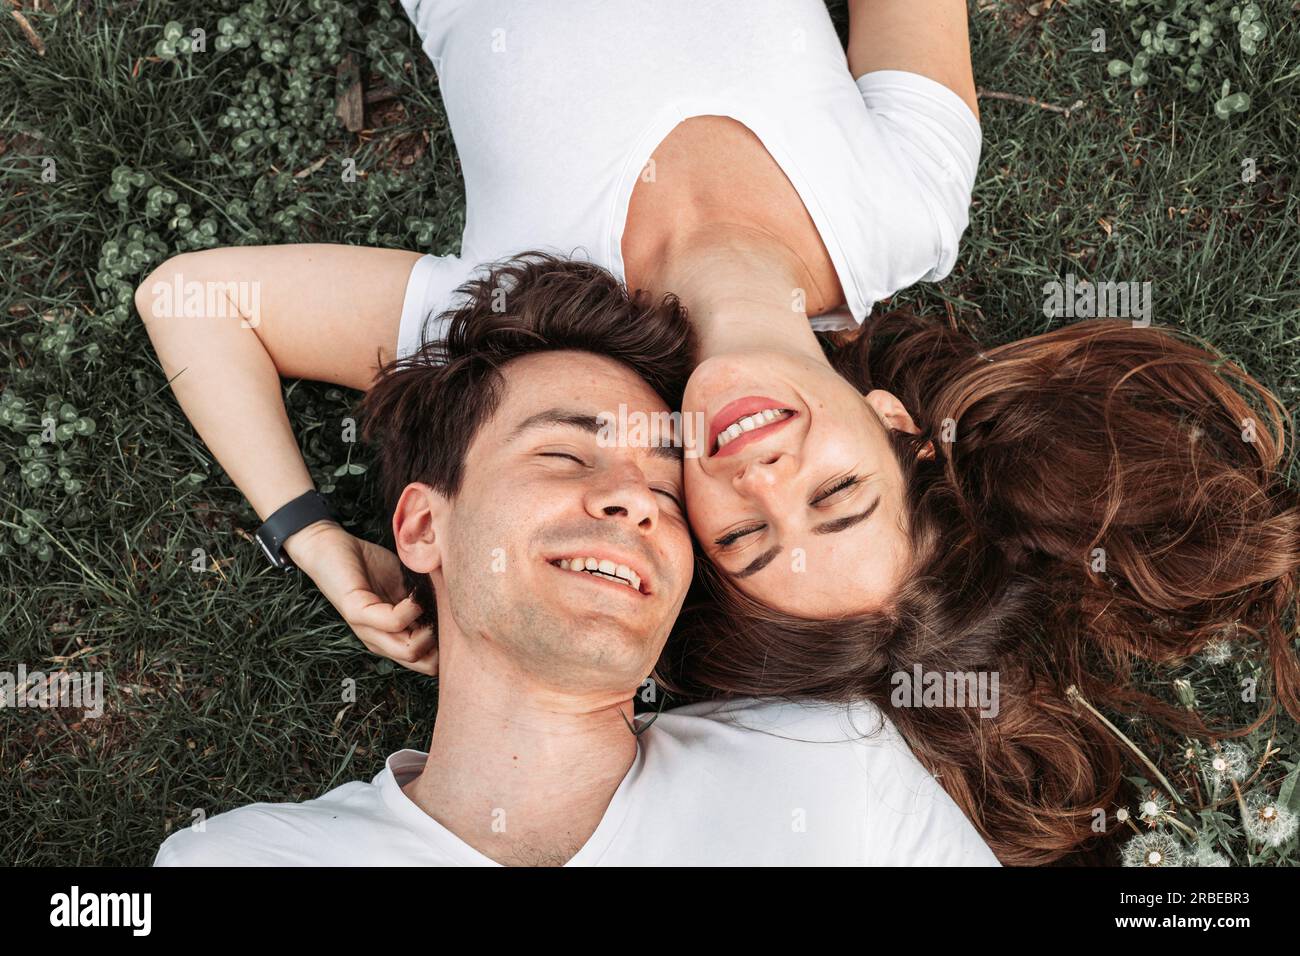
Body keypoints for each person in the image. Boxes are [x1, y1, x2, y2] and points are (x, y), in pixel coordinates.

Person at [152, 256, 998, 867]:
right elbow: (188, 296)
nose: (634, 501)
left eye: (672, 495)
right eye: (562, 456)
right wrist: (313, 535)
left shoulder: (835, 767)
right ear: (421, 529)